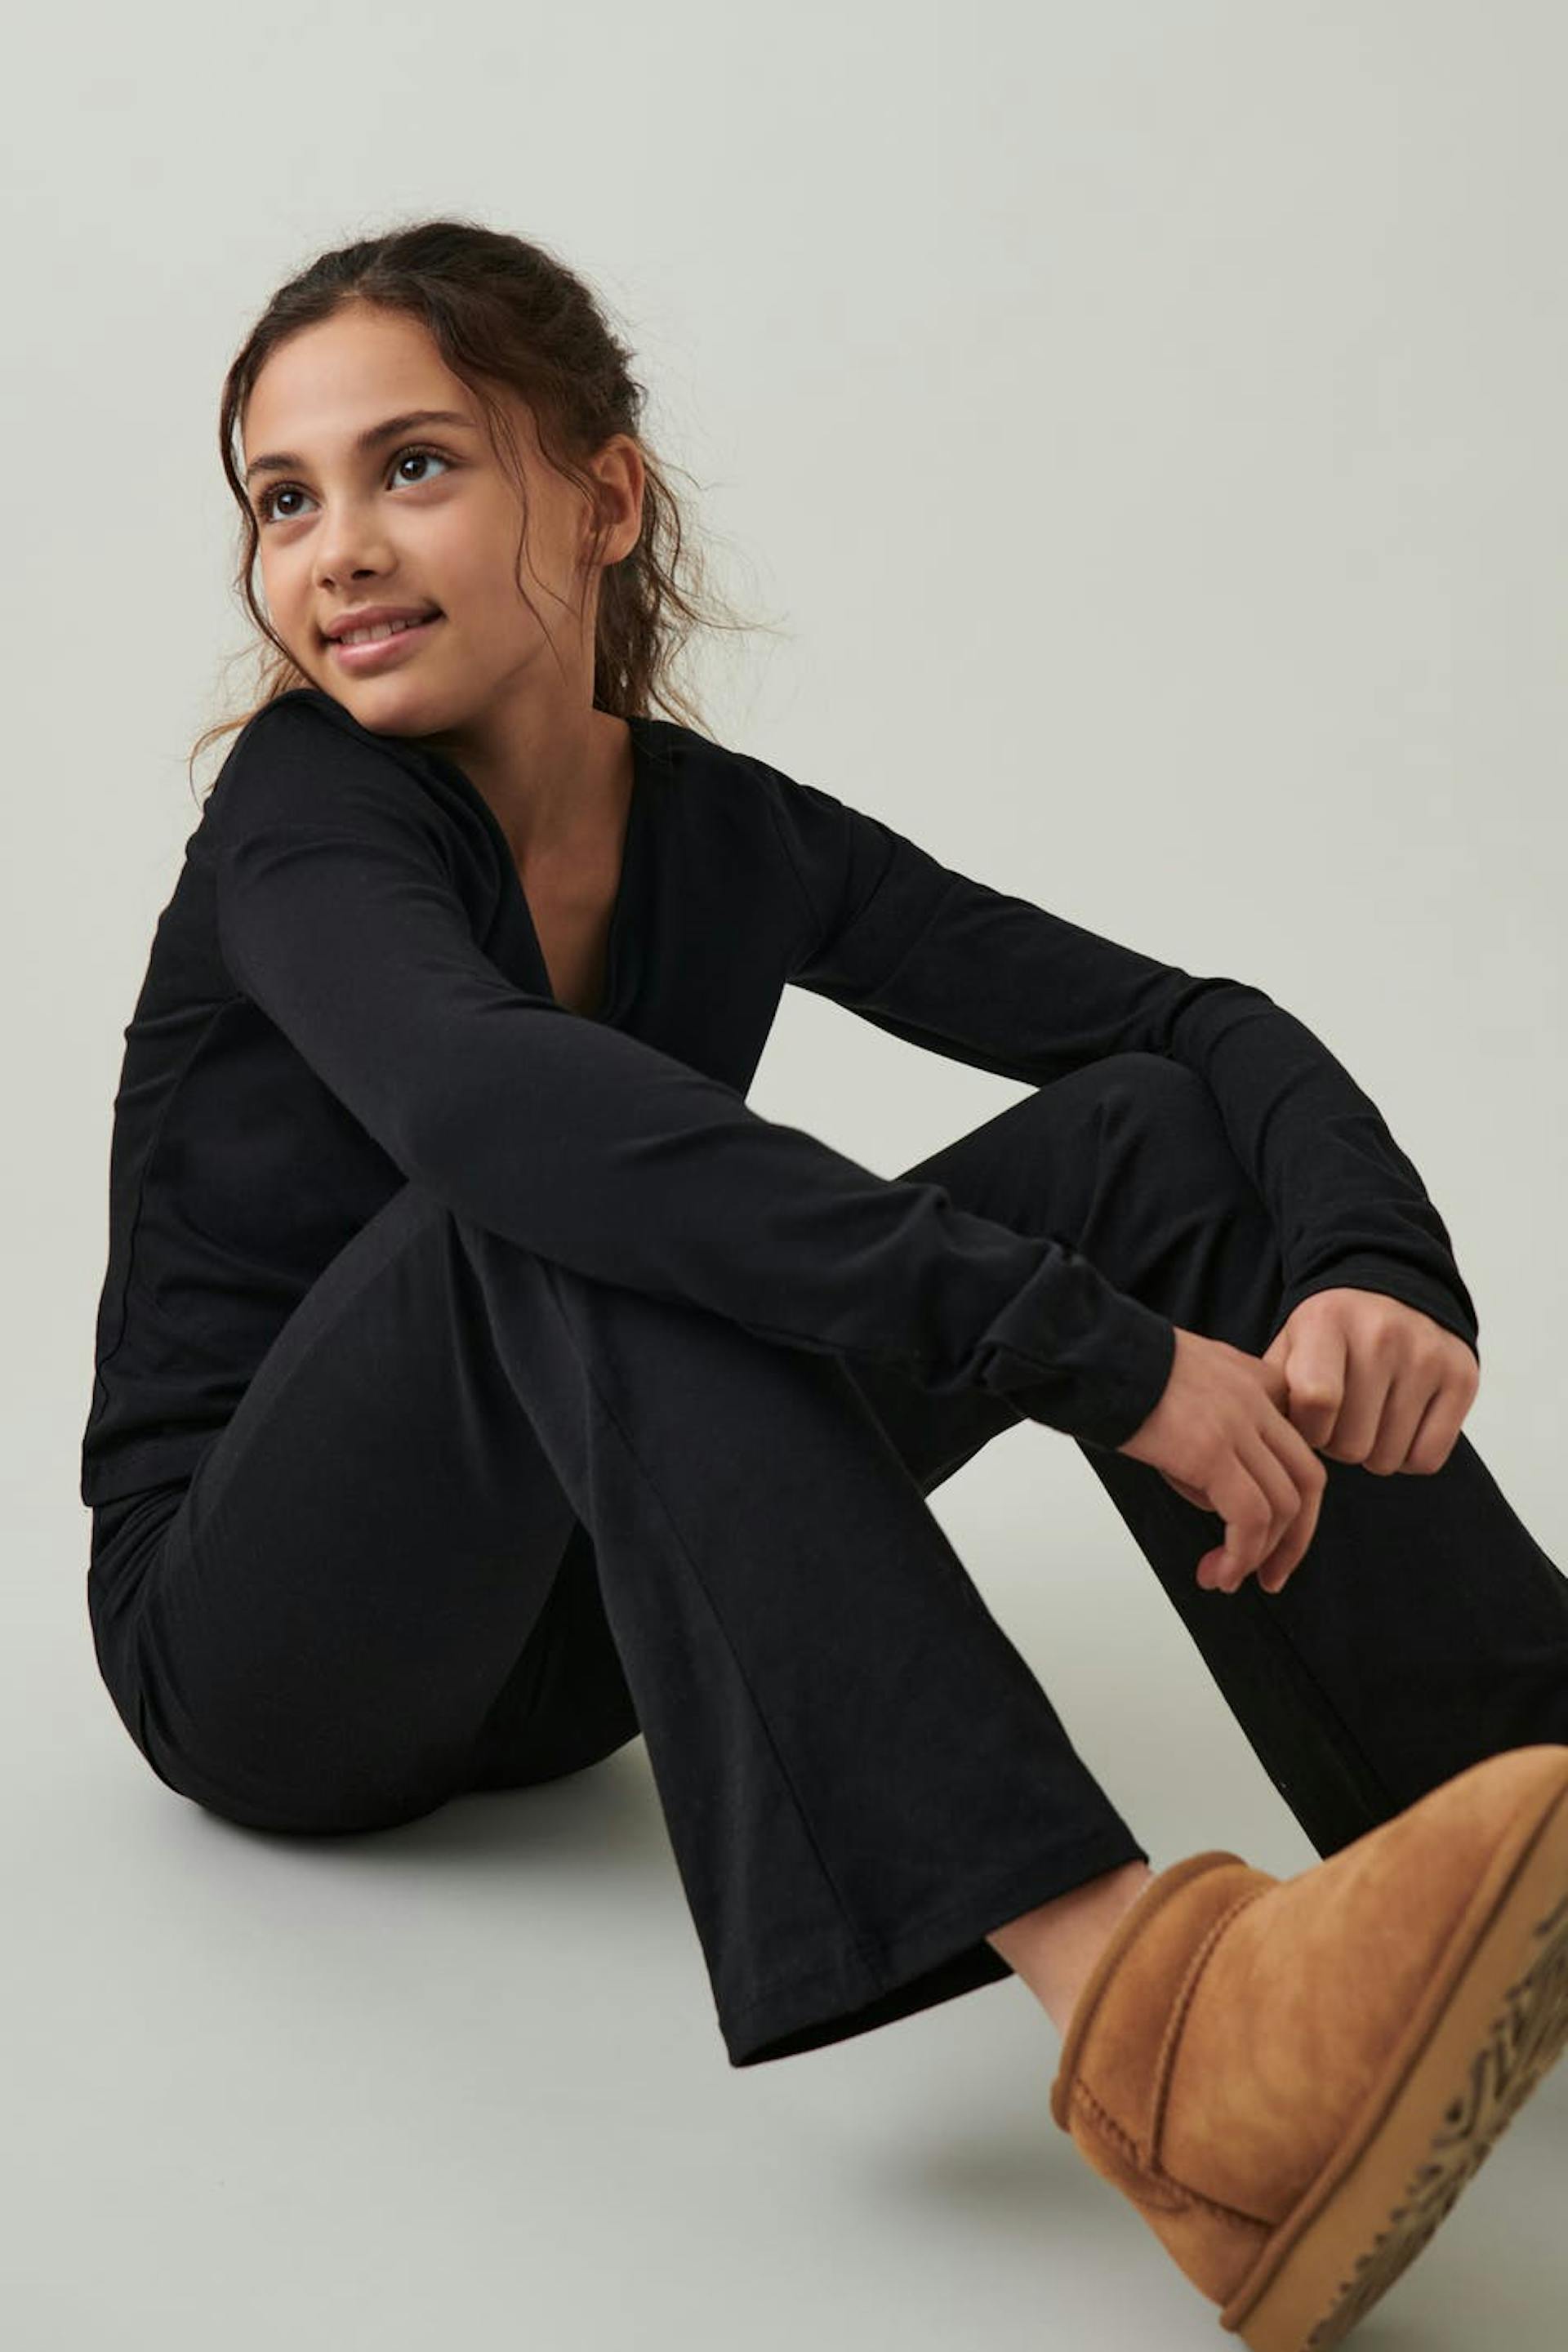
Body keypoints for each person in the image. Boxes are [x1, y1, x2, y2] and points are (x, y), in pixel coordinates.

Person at [82, 218, 1568, 2345]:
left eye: (414, 464)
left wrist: (1369, 1260)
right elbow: (496, 1114)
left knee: (1141, 1130)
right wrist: (1096, 1356)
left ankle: (1517, 1792)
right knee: (555, 1185)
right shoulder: (301, 817)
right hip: (260, 1649)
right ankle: (1167, 2043)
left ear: (604, 499)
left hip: (594, 1610)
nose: (336, 550)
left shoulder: (728, 834)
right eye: (281, 499)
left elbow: (1193, 1025)